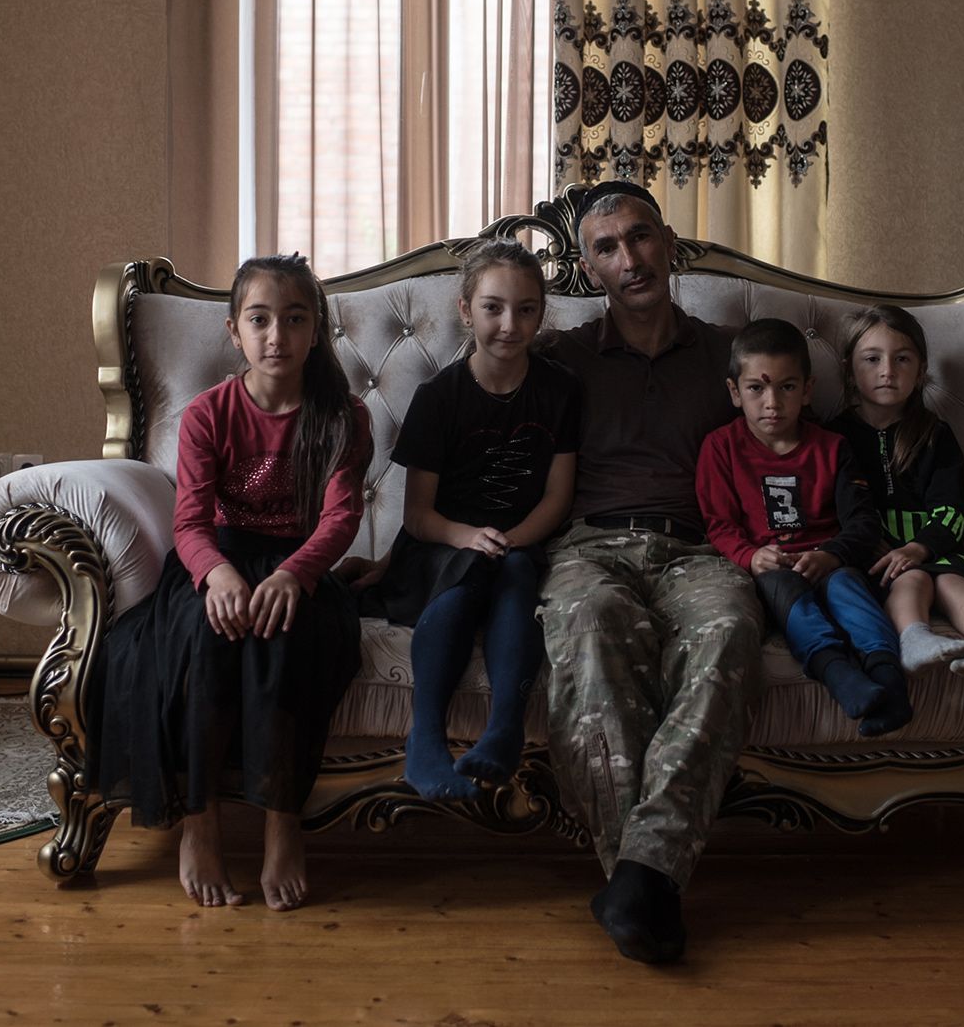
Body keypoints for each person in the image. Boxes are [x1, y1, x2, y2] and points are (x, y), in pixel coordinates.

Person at [93, 254, 372, 912]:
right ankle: (200, 822)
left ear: (316, 329)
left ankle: (282, 824)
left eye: (295, 319)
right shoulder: (208, 414)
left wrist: (295, 574)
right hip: (218, 558)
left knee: (285, 637)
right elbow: (189, 522)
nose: (277, 336)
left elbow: (340, 518)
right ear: (234, 331)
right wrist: (216, 574)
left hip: (297, 564)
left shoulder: (342, 415)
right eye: (260, 320)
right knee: (201, 635)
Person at [538, 180, 764, 965]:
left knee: (731, 627)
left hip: (701, 550)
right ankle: (646, 880)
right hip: (589, 547)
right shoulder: (561, 358)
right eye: (607, 247)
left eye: (640, 237)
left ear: (669, 243)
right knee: (589, 622)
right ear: (589, 268)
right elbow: (477, 416)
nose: (629, 259)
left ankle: (637, 881)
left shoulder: (729, 354)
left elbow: (799, 443)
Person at [349, 239, 579, 802]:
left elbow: (557, 497)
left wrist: (510, 541)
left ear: (541, 314)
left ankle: (504, 731)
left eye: (526, 309)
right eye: (493, 308)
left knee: (515, 570)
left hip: (519, 543)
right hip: (439, 546)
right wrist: (471, 539)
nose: (509, 324)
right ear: (465, 310)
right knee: (472, 570)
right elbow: (419, 516)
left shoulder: (561, 391)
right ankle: (425, 739)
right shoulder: (438, 397)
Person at [695, 319, 914, 738]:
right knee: (783, 588)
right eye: (756, 388)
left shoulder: (832, 447)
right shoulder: (720, 448)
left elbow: (863, 521)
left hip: (831, 561)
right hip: (773, 570)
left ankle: (889, 680)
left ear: (808, 390)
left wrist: (831, 554)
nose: (772, 402)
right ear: (734, 392)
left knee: (847, 586)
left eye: (787, 387)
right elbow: (719, 524)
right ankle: (840, 676)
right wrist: (751, 556)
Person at [830, 305, 964, 675]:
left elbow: (951, 504)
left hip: (936, 544)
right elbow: (828, 502)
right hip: (879, 553)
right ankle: (916, 640)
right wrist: (871, 545)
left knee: (954, 583)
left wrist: (920, 547)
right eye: (872, 359)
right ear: (850, 371)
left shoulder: (934, 434)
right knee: (911, 579)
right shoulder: (835, 436)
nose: (887, 371)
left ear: (920, 372)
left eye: (902, 359)